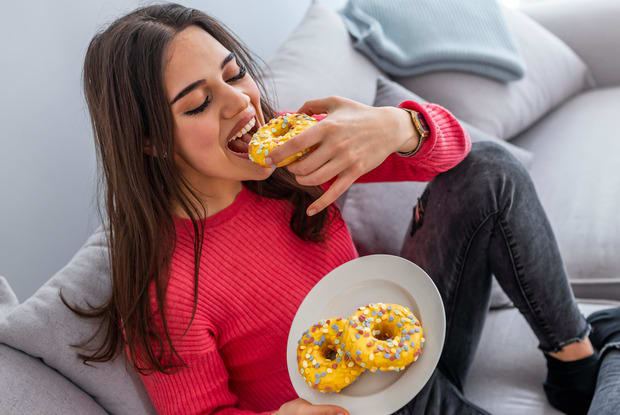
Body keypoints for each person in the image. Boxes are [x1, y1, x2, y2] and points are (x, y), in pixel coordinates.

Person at [63, 3, 620, 414]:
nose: (240, 103)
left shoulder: (294, 152)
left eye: (234, 75)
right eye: (200, 103)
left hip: (414, 335)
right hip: (371, 408)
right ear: (152, 141)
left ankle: (575, 365)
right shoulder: (167, 293)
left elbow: (460, 154)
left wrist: (399, 125)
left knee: (492, 169)